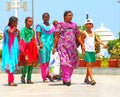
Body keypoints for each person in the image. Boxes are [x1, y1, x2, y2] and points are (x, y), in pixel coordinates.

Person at [52, 10, 84, 86]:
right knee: (64, 61)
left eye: (71, 15)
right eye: (69, 15)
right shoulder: (60, 24)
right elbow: (56, 36)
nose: (70, 17)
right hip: (62, 46)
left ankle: (66, 78)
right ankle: (67, 79)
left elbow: (78, 36)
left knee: (72, 62)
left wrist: (82, 44)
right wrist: (54, 47)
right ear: (65, 16)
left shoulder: (74, 25)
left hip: (72, 47)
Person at [81, 19, 107, 85]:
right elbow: (82, 42)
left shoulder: (94, 33)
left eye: (90, 24)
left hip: (92, 51)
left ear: (92, 25)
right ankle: (92, 79)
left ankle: (86, 78)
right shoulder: (84, 33)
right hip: (86, 51)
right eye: (87, 24)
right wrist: (83, 51)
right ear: (85, 25)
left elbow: (98, 40)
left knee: (90, 65)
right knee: (89, 65)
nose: (89, 25)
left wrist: (103, 44)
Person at [19, 17, 38, 84]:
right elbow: (22, 39)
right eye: (29, 21)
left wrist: (36, 47)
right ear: (25, 22)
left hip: (32, 49)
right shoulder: (23, 30)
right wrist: (24, 47)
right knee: (26, 64)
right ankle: (23, 76)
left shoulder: (32, 30)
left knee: (31, 64)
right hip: (26, 49)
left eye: (31, 21)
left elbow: (34, 39)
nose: (31, 23)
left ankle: (29, 79)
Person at [36, 13, 55, 83]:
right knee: (43, 61)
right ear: (43, 18)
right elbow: (38, 35)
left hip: (50, 46)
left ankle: (48, 74)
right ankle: (44, 77)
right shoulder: (40, 26)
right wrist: (40, 43)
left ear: (49, 17)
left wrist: (54, 47)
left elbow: (54, 36)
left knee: (49, 61)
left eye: (47, 17)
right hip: (43, 46)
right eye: (45, 17)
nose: (46, 18)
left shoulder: (52, 27)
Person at [2, 16, 19, 86]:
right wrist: (14, 28)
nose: (17, 24)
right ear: (12, 22)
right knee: (10, 63)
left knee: (12, 63)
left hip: (13, 49)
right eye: (16, 22)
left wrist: (17, 31)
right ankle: (10, 81)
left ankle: (11, 81)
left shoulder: (13, 28)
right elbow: (10, 32)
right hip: (8, 50)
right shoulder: (7, 28)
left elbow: (17, 36)